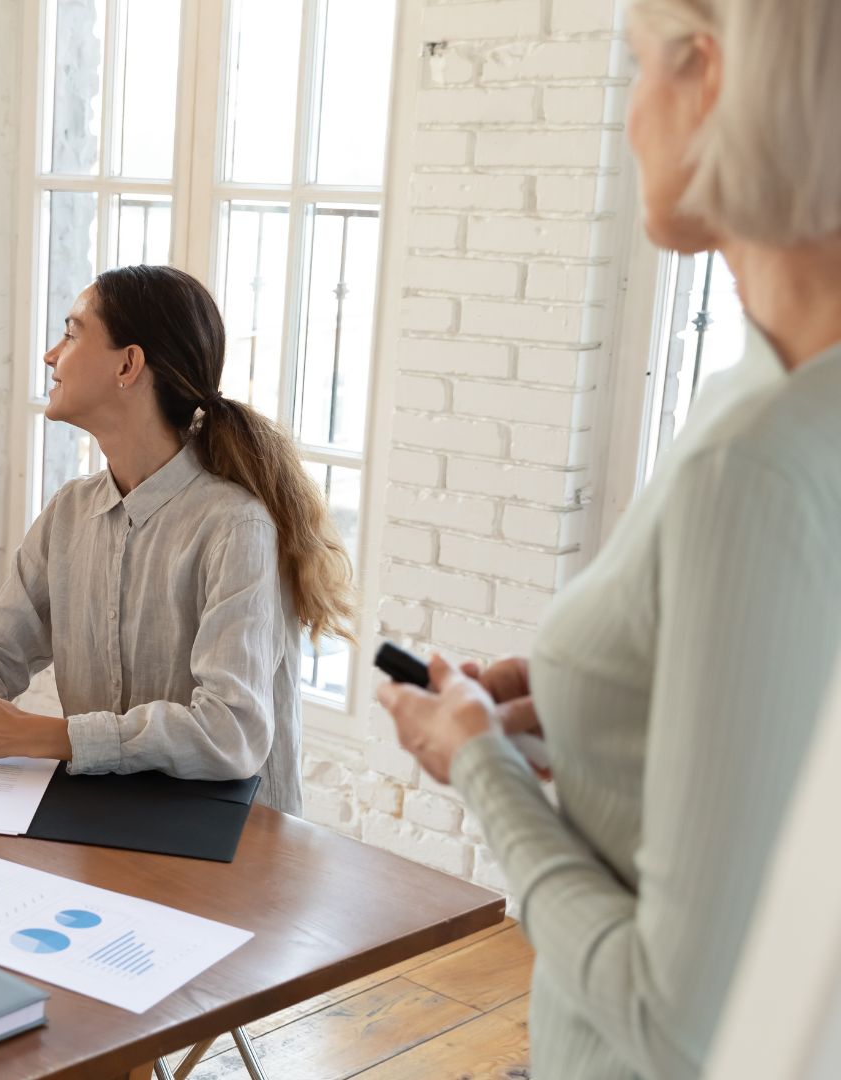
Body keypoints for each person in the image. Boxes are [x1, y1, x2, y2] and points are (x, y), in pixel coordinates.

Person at [374, 2, 841, 1076]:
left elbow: (674, 1020)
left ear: (712, 79)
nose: (629, 119)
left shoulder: (753, 463)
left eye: (636, 69)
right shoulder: (767, 394)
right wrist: (609, 704)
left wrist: (476, 759)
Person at [0, 265, 356, 815]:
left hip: (234, 844)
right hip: (111, 819)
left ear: (128, 364)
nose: (50, 355)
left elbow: (232, 733)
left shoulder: (236, 526)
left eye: (72, 332)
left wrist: (34, 734)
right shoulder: (70, 512)